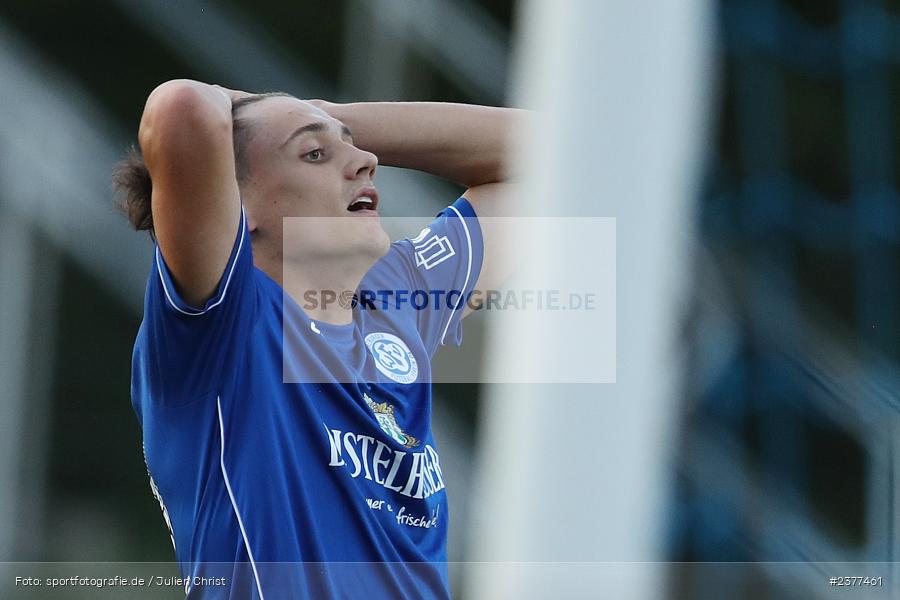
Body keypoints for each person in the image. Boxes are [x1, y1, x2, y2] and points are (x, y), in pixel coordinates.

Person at [113, 78, 520, 599]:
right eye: (313, 154)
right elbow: (181, 107)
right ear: (237, 207)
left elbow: (553, 153)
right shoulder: (225, 323)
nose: (366, 159)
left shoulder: (394, 305)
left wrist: (323, 115)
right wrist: (272, 110)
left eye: (353, 145)